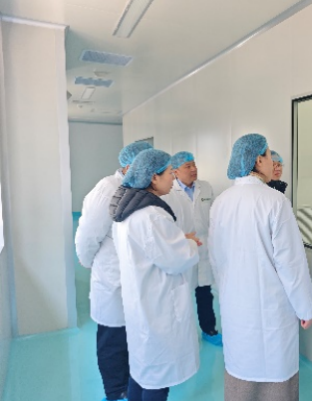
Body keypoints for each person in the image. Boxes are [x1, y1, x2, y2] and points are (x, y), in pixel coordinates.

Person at [209, 134, 312, 400]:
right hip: (272, 308)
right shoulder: (275, 201)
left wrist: (226, 290)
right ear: (258, 160)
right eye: (270, 156)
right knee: (274, 373)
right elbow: (291, 263)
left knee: (241, 369)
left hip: (235, 304)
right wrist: (306, 308)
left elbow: (215, 255)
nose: (273, 162)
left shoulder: (221, 201)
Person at [110, 149, 203, 401]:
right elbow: (177, 259)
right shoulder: (151, 215)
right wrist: (190, 243)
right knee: (158, 379)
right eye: (170, 173)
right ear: (154, 177)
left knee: (142, 371)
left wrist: (178, 239)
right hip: (158, 307)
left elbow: (153, 247)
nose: (173, 178)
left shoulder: (128, 210)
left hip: (140, 302)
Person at [76, 140, 153, 401]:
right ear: (129, 165)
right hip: (112, 278)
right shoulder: (107, 189)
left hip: (138, 279)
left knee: (135, 339)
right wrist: (92, 264)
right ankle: (114, 391)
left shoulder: (142, 188)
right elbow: (88, 236)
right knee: (112, 340)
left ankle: (131, 385)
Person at [159, 151, 221, 346]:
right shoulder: (168, 192)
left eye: (194, 165)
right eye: (188, 166)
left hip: (204, 247)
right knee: (181, 295)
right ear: (176, 171)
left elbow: (214, 216)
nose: (194, 169)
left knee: (205, 292)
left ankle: (209, 330)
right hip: (181, 247)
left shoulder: (205, 187)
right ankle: (182, 335)